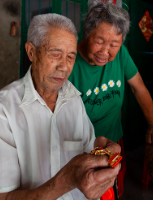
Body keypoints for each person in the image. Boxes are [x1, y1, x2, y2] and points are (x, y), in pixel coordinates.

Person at [0, 13, 121, 200]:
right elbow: (5, 196)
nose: (64, 67)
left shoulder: (73, 98)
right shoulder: (5, 109)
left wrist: (101, 151)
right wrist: (67, 180)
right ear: (31, 52)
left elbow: (86, 150)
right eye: (55, 55)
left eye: (70, 57)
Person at [68, 0, 153, 198]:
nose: (105, 52)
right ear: (87, 33)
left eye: (114, 44)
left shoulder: (121, 55)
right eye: (99, 41)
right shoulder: (69, 63)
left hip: (114, 139)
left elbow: (139, 88)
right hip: (81, 147)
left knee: (115, 190)